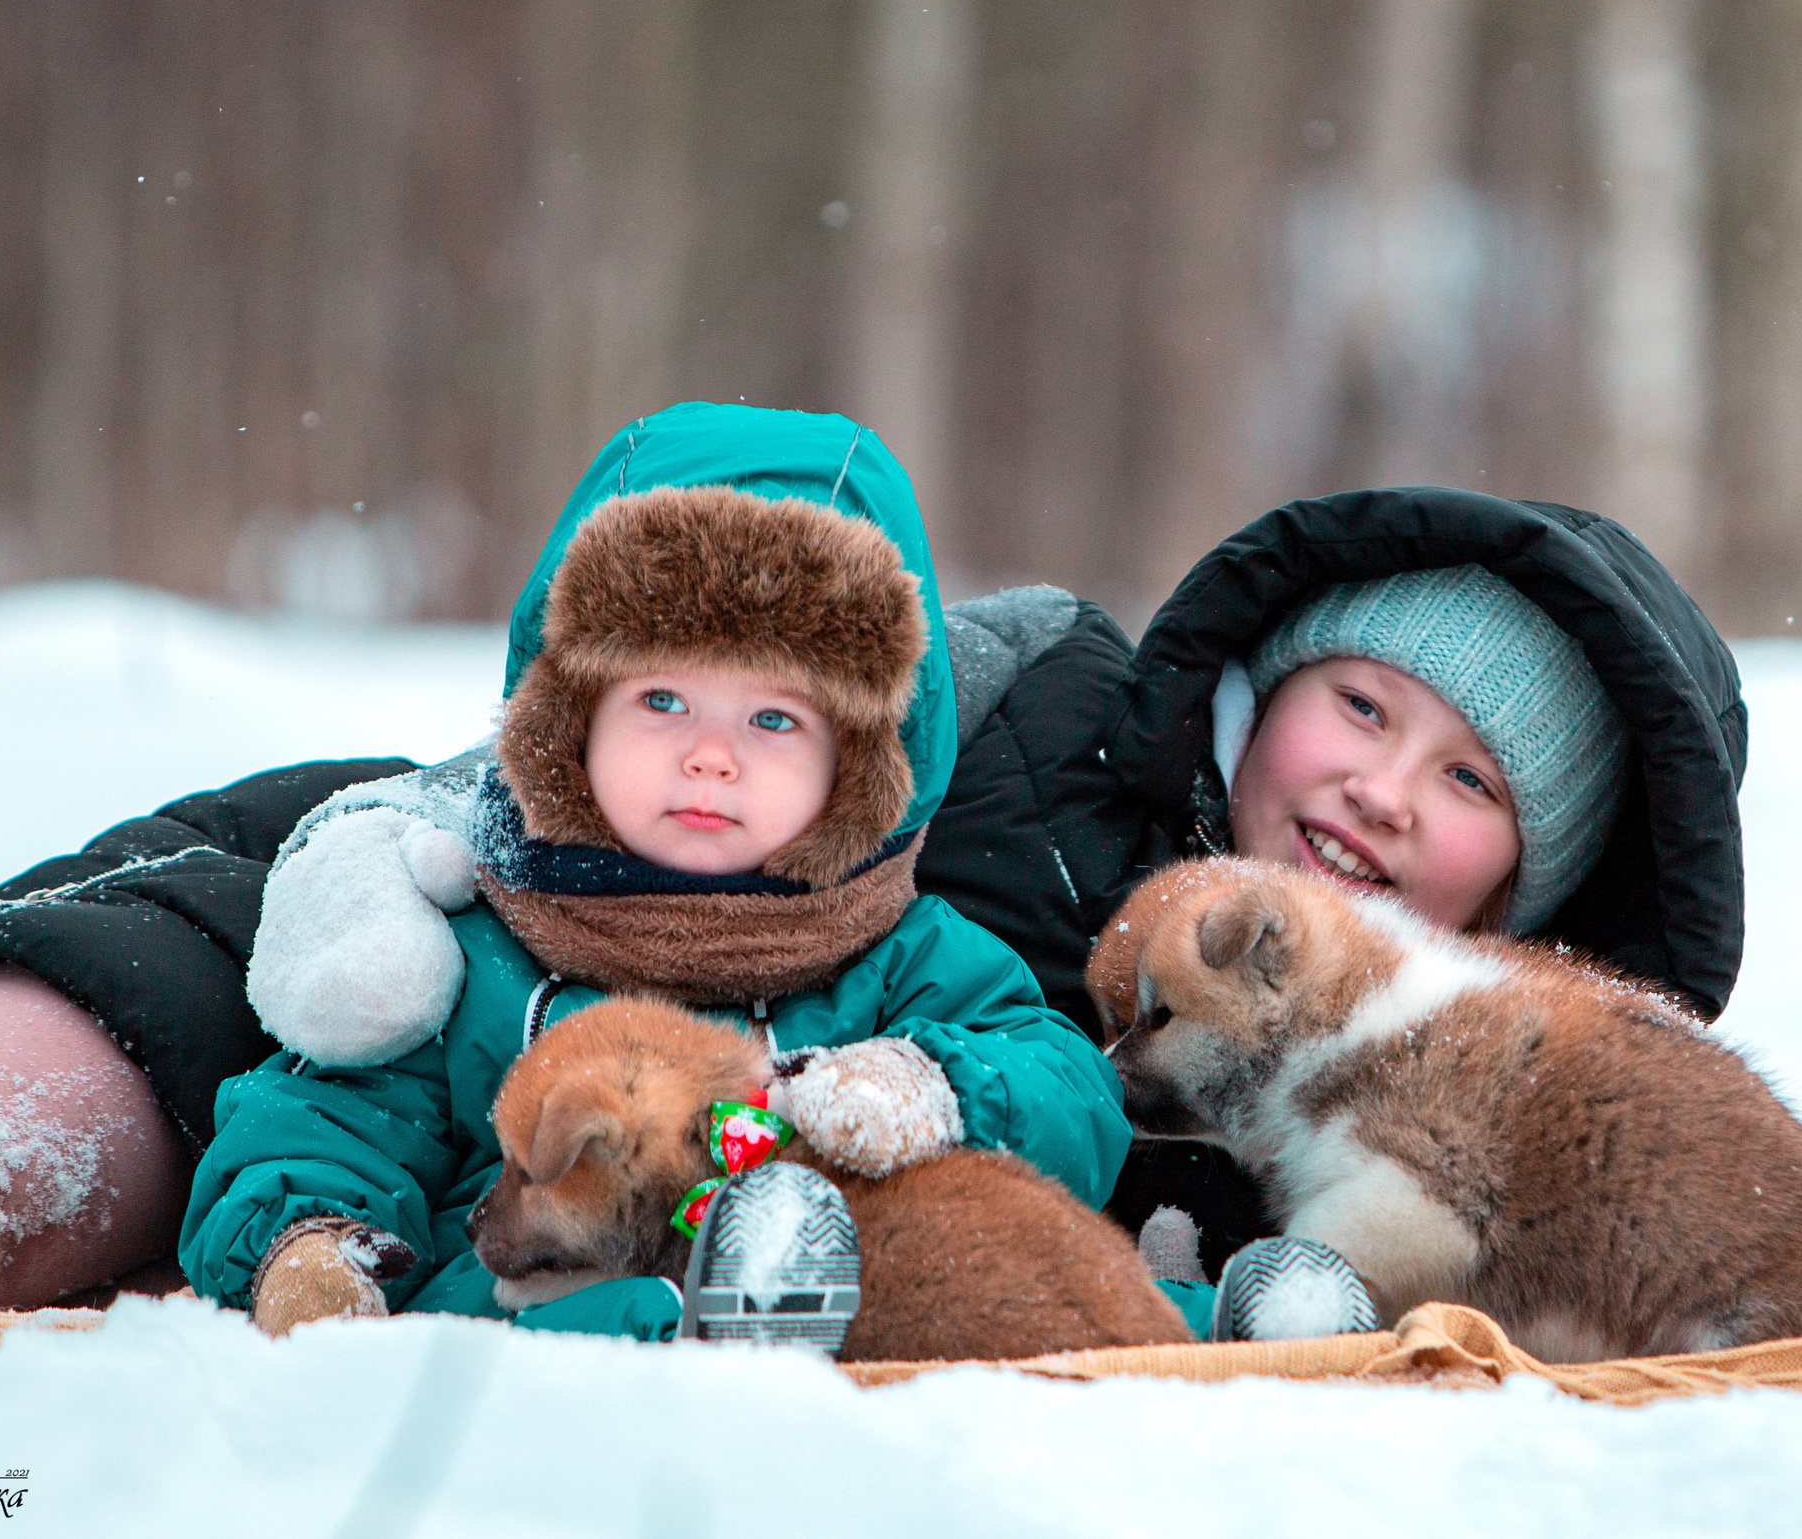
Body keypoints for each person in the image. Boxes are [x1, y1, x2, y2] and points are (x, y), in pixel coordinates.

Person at [0, 444, 1742, 1338]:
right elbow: (644, 738)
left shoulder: (1429, 1113)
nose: (1378, 792)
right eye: (1357, 706)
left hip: (565, 1189)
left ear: (1533, 882)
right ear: (1255, 689)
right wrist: (388, 875)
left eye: (1465, 782)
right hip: (361, 939)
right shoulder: (1029, 694)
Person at [179, 405, 1124, 1349]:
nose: (712, 755)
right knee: (576, 1311)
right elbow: (331, 1115)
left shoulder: (904, 957)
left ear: (858, 766)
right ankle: (679, 1325)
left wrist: (936, 1085)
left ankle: (1249, 1311)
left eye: (774, 719)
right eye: (663, 700)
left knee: (1017, 1287)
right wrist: (310, 1244)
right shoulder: (485, 950)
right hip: (527, 1328)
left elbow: (1070, 1092)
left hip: (861, 1307)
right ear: (573, 719)